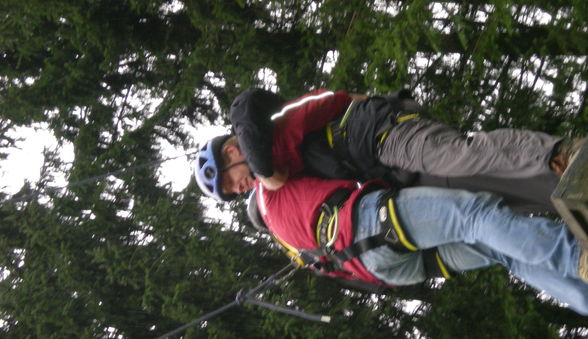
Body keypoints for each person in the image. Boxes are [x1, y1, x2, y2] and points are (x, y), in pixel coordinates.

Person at [198, 88, 582, 213]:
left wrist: (267, 172)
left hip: (375, 131)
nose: (240, 189)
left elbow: (245, 106)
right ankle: (564, 188)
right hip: (384, 165)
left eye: (230, 183)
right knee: (479, 192)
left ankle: (562, 153)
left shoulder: (273, 124)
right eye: (233, 195)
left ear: (232, 151)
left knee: (458, 155)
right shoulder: (284, 170)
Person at [250, 174, 588, 315]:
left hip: (391, 268)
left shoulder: (294, 248)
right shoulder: (270, 191)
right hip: (372, 223)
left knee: (500, 250)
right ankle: (578, 256)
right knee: (475, 216)